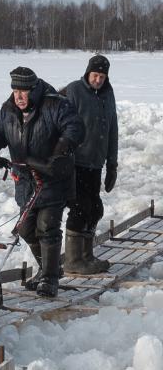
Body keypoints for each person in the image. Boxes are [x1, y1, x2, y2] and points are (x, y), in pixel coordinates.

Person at [0, 66, 84, 297]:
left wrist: (60, 152)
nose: (19, 96)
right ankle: (48, 269)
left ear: (34, 89)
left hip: (53, 176)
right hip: (25, 181)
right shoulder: (8, 110)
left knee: (47, 226)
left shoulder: (54, 104)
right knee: (27, 229)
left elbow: (75, 127)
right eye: (15, 91)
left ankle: (50, 279)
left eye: (24, 91)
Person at [61, 54, 118, 274]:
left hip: (96, 162)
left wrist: (112, 164)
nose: (98, 80)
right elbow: (62, 123)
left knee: (95, 209)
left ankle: (86, 257)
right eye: (95, 75)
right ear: (87, 73)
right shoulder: (74, 90)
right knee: (80, 208)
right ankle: (73, 261)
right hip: (76, 162)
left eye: (102, 76)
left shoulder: (108, 94)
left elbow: (112, 128)